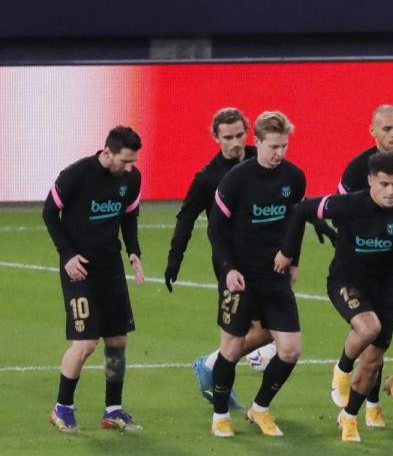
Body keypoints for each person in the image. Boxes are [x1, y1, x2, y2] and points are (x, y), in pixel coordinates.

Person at [284, 152, 393, 443]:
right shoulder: (348, 204)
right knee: (368, 327)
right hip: (346, 282)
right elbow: (301, 210)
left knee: (373, 363)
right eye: (384, 184)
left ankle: (349, 417)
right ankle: (342, 367)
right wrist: (289, 253)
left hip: (383, 289)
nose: (391, 191)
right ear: (371, 181)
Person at [163, 108, 277, 410]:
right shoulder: (208, 178)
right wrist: (175, 259)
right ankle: (216, 372)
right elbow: (186, 217)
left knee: (269, 330)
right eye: (228, 137)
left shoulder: (263, 159)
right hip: (231, 265)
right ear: (216, 138)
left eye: (240, 135)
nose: (236, 142)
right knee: (244, 332)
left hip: (265, 259)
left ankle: (212, 365)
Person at [206, 111, 306, 438]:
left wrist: (292, 259)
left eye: (285, 146)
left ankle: (259, 408)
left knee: (290, 349)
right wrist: (228, 269)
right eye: (274, 146)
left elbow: (296, 221)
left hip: (275, 276)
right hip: (242, 277)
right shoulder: (236, 179)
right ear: (258, 142)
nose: (280, 153)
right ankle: (220, 415)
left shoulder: (294, 178)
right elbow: (216, 229)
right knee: (232, 349)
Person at [334, 104, 393, 427]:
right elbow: (340, 213)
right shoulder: (355, 169)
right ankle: (369, 404)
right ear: (372, 131)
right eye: (388, 129)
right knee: (377, 339)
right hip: (370, 264)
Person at [42, 126, 145, 432]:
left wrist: (134, 253)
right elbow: (50, 213)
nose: (129, 167)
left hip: (110, 268)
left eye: (133, 162)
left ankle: (113, 409)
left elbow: (128, 216)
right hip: (80, 269)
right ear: (107, 152)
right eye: (124, 161)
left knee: (117, 340)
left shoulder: (131, 178)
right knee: (85, 343)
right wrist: (68, 255)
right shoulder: (76, 175)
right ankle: (62, 407)